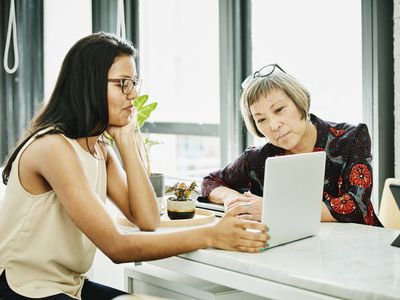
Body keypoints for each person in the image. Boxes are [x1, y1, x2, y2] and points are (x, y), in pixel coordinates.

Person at [0, 32, 269, 300]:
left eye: (134, 82)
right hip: (21, 288)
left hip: (71, 288)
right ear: (89, 85)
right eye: (123, 83)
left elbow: (147, 219)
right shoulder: (53, 147)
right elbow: (117, 247)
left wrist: (126, 140)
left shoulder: (98, 151)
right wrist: (211, 235)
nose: (134, 94)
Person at [202, 63, 382, 227]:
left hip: (360, 250)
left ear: (299, 101)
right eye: (261, 119)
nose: (273, 125)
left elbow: (356, 206)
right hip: (292, 252)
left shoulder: (351, 138)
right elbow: (210, 182)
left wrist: (274, 209)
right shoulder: (257, 159)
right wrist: (235, 200)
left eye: (279, 109)